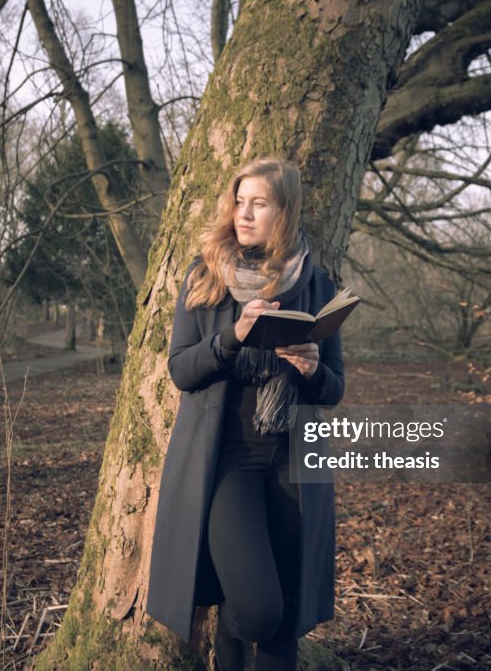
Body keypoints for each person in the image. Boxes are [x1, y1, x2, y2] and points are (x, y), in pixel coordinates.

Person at [146, 158, 345, 670]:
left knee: (286, 623)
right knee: (257, 610)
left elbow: (333, 389)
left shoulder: (318, 285)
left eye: (259, 203)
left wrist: (311, 367)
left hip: (293, 462)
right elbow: (181, 371)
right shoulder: (206, 275)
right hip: (227, 462)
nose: (245, 213)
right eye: (240, 200)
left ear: (285, 210)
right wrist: (233, 337)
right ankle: (229, 644)